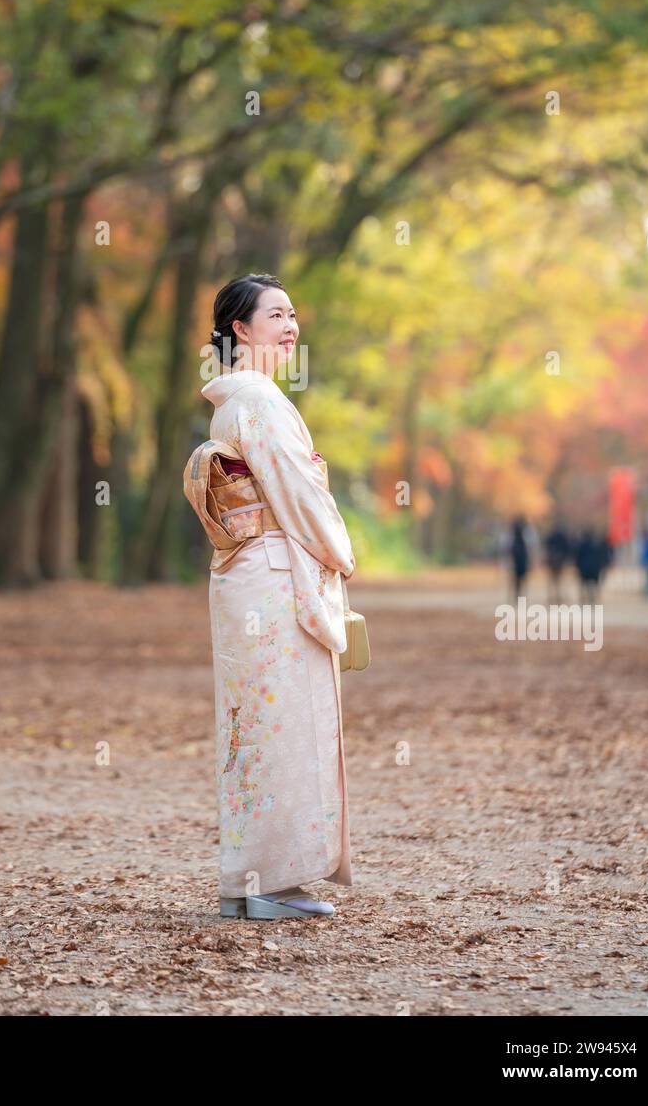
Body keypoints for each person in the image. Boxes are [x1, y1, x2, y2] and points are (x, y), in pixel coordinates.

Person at [183, 274, 356, 921]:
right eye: (276, 314)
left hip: (250, 571)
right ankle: (262, 882)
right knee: (277, 725)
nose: (291, 325)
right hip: (271, 572)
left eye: (294, 315)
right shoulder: (257, 399)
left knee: (261, 723)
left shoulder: (242, 400)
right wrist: (340, 551)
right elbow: (301, 494)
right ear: (240, 329)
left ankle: (259, 880)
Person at [543, 522, 573, 604]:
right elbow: (567, 548)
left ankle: (553, 596)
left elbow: (546, 546)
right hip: (559, 560)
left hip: (554, 560)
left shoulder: (551, 536)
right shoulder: (562, 537)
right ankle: (557, 596)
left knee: (553, 580)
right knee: (558, 579)